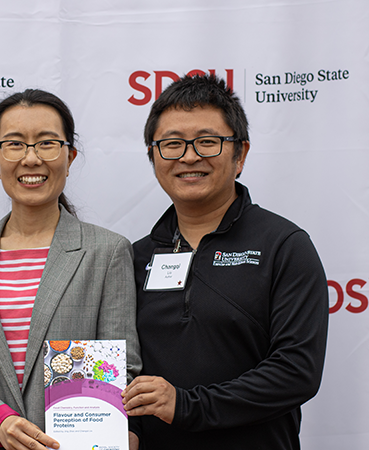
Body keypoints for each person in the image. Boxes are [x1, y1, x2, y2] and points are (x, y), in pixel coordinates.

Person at [122, 74, 328, 449]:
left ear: (240, 154)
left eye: (207, 142)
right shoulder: (134, 258)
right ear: (153, 156)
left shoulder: (284, 245)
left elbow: (297, 371)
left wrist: (187, 405)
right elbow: (120, 367)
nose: (189, 156)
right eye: (171, 144)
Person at [0, 89, 142, 450]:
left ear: (70, 155)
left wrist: (81, 431)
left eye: (47, 143)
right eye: (14, 144)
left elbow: (120, 364)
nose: (31, 159)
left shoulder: (107, 253)